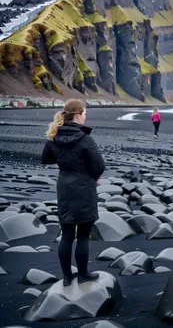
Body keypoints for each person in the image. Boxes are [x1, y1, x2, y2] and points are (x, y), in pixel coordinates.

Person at [41, 99, 106, 286]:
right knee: (83, 235)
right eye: (84, 113)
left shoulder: (54, 136)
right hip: (84, 188)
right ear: (77, 115)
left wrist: (65, 162)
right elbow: (99, 166)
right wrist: (92, 177)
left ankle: (67, 277)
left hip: (65, 188)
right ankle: (84, 274)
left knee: (67, 234)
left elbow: (46, 159)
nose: (86, 116)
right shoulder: (85, 139)